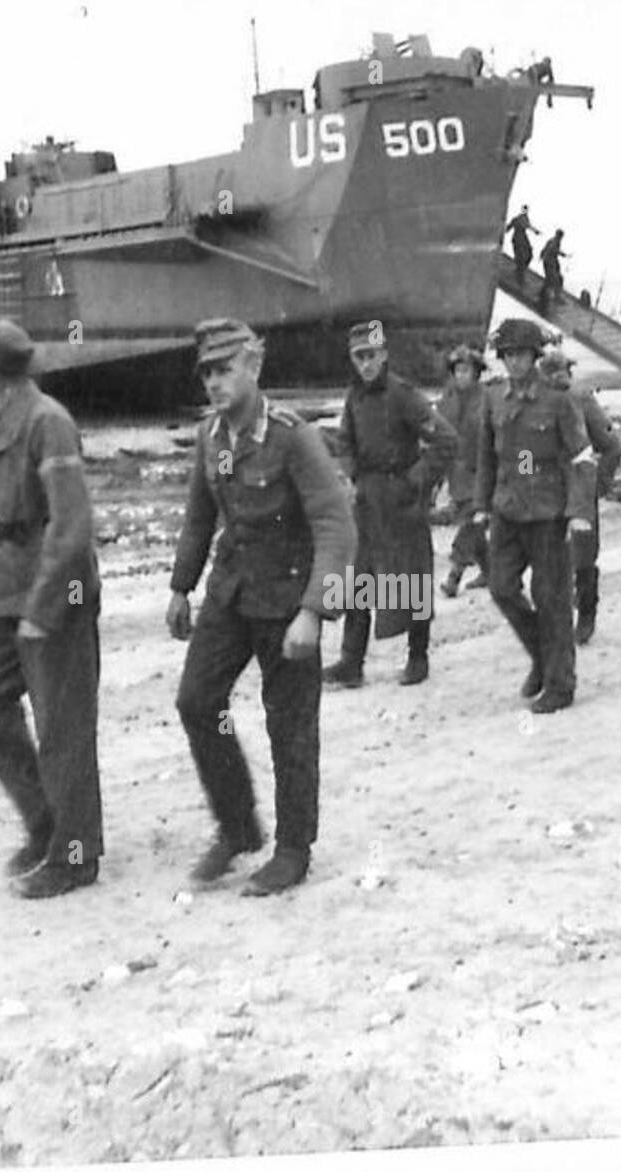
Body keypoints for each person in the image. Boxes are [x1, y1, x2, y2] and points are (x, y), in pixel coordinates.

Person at [169, 318, 356, 895]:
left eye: (225, 370)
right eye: (207, 373)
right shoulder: (211, 438)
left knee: (290, 726)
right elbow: (201, 516)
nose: (214, 383)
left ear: (254, 367)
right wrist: (181, 587)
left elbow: (336, 526)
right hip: (231, 592)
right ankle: (237, 827)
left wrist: (315, 612)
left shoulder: (292, 437)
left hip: (287, 600)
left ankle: (293, 850)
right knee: (197, 701)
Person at [0, 318, 103, 899]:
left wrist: (43, 610)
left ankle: (75, 854)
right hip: (10, 591)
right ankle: (46, 822)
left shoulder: (48, 422)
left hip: (54, 593)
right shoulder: (8, 415)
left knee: (63, 729)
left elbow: (71, 527)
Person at [472, 318, 599, 712]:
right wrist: (480, 505)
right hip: (508, 509)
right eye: (507, 355)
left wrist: (579, 512)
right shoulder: (494, 398)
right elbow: (486, 457)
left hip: (547, 512)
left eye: (521, 355)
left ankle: (560, 685)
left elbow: (581, 457)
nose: (513, 362)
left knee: (551, 598)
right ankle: (543, 657)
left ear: (534, 357)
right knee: (501, 587)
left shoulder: (558, 400)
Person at [324, 322, 456, 688]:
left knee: (412, 578)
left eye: (371, 356)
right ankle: (351, 663)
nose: (365, 364)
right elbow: (344, 440)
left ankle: (418, 657)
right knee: (358, 580)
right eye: (359, 357)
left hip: (402, 501)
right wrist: (350, 473)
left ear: (383, 355)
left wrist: (416, 480)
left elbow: (446, 440)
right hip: (367, 501)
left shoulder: (404, 396)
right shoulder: (354, 398)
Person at [536, 349, 621, 643]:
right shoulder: (534, 404)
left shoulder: (581, 399)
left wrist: (598, 484)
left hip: (578, 488)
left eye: (559, 374)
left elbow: (611, 446)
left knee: (583, 557)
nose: (555, 380)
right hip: (546, 493)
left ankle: (586, 614)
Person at [437, 344, 491, 597]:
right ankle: (493, 573)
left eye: (466, 370)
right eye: (457, 370)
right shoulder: (446, 400)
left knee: (470, 526)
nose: (461, 376)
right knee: (474, 529)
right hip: (456, 475)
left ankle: (454, 577)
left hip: (482, 474)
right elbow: (437, 434)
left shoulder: (487, 400)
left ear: (476, 373)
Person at [506, 205, 540, 284]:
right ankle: (519, 277)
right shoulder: (517, 219)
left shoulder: (524, 219)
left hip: (523, 238)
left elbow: (528, 225)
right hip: (518, 239)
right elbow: (509, 228)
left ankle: (520, 271)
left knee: (529, 254)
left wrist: (535, 231)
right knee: (521, 257)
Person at [538, 230, 569, 309]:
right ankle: (554, 297)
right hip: (549, 262)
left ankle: (548, 295)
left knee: (554, 279)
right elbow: (552, 249)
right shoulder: (554, 242)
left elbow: (546, 249)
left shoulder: (553, 241)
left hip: (551, 261)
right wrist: (563, 254)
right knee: (553, 279)